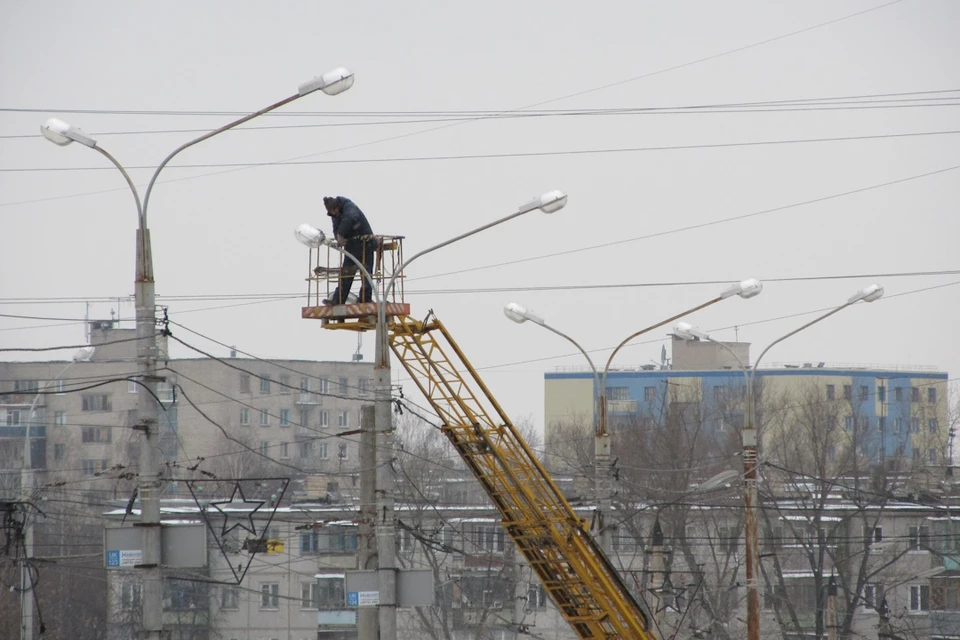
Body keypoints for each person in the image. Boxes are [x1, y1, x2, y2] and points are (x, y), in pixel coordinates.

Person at [322, 196, 376, 305]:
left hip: (366, 244)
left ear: (338, 206)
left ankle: (365, 300)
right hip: (351, 247)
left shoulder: (349, 207)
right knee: (345, 275)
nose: (335, 214)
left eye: (335, 211)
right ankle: (337, 300)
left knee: (366, 275)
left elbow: (350, 218)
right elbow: (336, 228)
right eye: (332, 213)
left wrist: (341, 233)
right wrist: (338, 237)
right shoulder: (335, 215)